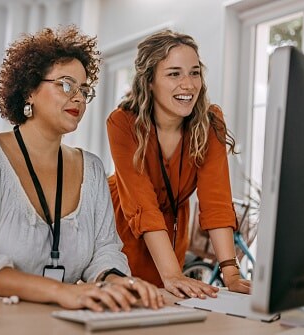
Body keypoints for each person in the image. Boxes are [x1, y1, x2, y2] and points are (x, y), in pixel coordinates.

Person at [0, 25, 164, 312]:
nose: (78, 97)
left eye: (84, 90)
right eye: (66, 85)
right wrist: (61, 292)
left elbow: (105, 251)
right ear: (29, 90)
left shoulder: (91, 168)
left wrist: (116, 282)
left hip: (55, 323)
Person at [106, 30, 251, 299]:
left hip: (172, 227)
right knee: (130, 304)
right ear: (149, 81)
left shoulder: (210, 123)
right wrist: (172, 273)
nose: (188, 84)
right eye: (174, 74)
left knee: (171, 303)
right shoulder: (122, 122)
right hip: (124, 222)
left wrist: (231, 272)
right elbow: (142, 204)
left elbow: (216, 201)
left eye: (194, 73)